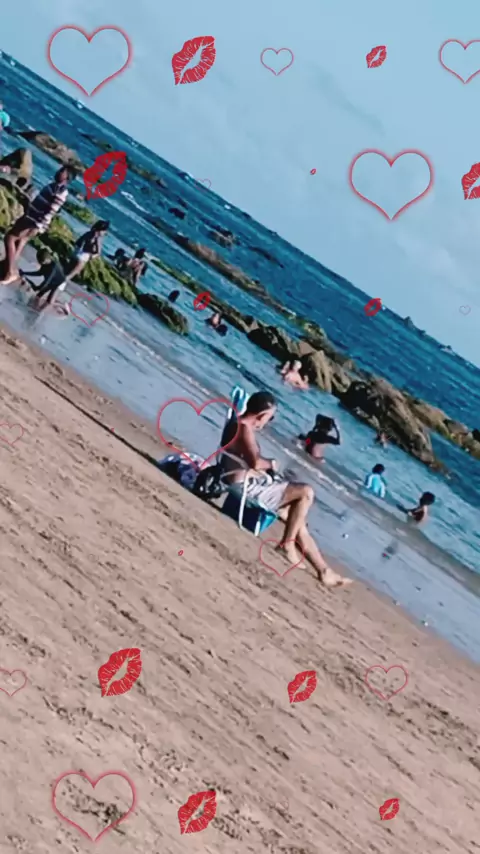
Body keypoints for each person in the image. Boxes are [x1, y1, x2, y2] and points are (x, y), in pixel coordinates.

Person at [222, 390, 352, 587]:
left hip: (239, 480)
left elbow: (243, 460)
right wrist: (272, 464)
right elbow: (255, 462)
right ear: (261, 415)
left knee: (295, 516)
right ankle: (286, 544)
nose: (269, 422)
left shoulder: (236, 423)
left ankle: (324, 570)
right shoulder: (244, 428)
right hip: (243, 486)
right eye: (270, 417)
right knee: (306, 492)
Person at [0, 165, 75, 284]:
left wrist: (38, 225)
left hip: (35, 221)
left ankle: (10, 271)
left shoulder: (61, 191)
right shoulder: (54, 186)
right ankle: (7, 267)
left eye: (62, 171)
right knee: (20, 242)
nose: (58, 172)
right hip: (31, 216)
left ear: (67, 178)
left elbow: (51, 210)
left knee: (10, 238)